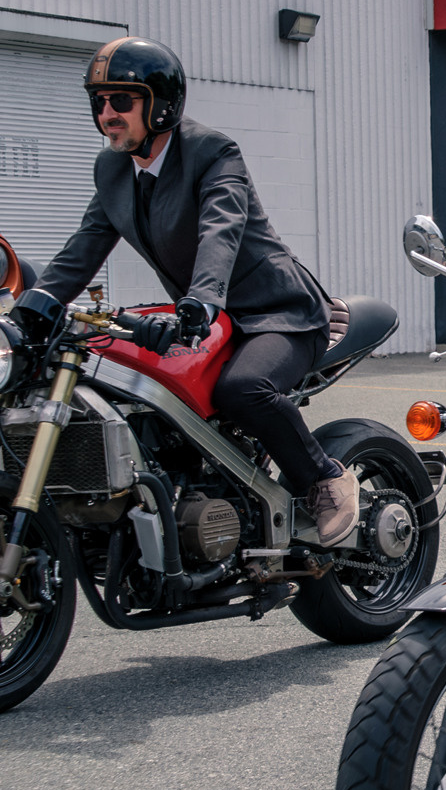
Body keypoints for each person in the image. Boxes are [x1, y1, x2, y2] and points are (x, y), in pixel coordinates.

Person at [18, 37, 357, 544]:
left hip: (274, 312)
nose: (106, 112)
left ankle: (326, 478)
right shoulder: (112, 169)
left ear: (160, 104)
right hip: (206, 316)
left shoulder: (210, 151)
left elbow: (221, 228)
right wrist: (30, 307)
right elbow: (84, 246)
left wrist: (201, 298)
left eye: (121, 101)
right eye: (99, 101)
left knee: (242, 390)